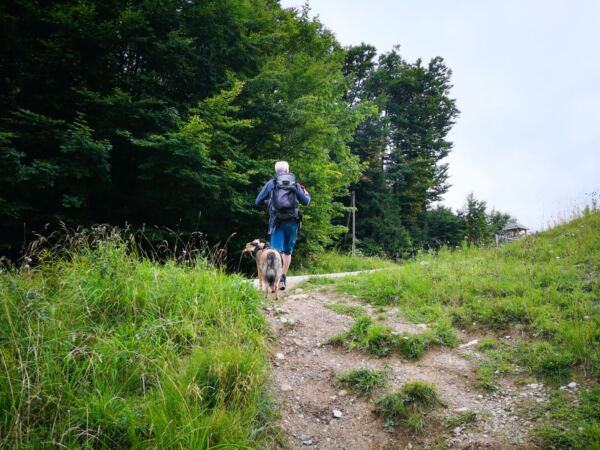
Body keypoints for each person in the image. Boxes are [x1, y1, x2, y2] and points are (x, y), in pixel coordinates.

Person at [255, 161, 310, 290]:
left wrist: (270, 203)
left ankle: (274, 281)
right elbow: (305, 201)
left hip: (277, 222)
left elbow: (258, 201)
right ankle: (282, 279)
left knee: (276, 252)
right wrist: (306, 194)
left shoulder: (272, 183)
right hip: (292, 222)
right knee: (287, 251)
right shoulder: (294, 184)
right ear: (286, 170)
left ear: (277, 171)